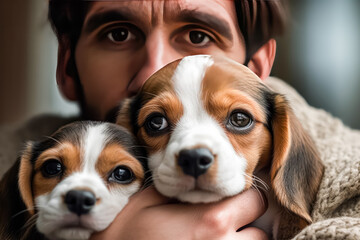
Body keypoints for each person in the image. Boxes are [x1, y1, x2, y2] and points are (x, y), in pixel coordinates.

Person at [1, 0, 359, 239]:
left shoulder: (346, 170)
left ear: (258, 68)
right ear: (66, 65)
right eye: (119, 34)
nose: (156, 71)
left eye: (198, 36)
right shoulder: (17, 166)